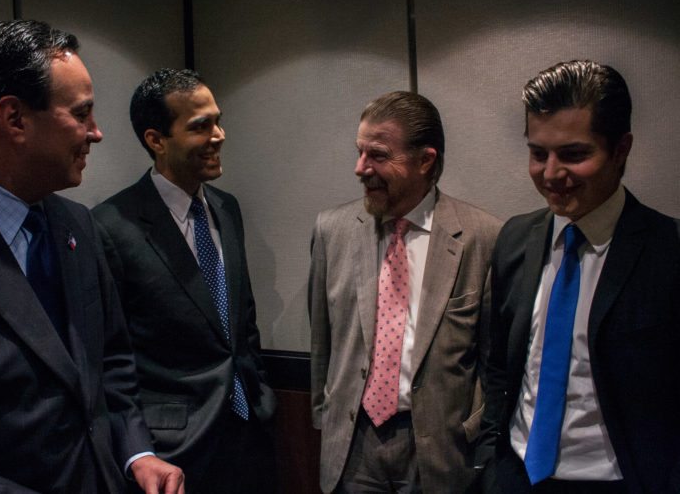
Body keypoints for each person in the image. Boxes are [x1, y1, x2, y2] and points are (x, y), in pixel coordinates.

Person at [0, 20, 184, 493]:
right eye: (81, 114)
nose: (96, 132)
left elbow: (112, 365)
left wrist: (137, 454)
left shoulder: (77, 225)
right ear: (15, 119)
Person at [478, 60, 680, 493]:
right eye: (538, 154)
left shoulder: (669, 251)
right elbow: (499, 363)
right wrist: (490, 461)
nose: (551, 174)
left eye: (573, 154)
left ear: (621, 149)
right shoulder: (514, 238)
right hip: (517, 474)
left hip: (619, 481)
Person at [92, 68, 276, 494]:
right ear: (156, 140)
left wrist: (262, 394)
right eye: (200, 126)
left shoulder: (227, 209)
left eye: (217, 120)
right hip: (172, 453)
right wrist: (138, 449)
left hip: (250, 432)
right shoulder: (110, 227)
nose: (219, 135)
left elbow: (241, 322)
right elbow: (110, 355)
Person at [309, 91, 501, 493]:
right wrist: (322, 417)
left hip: (440, 451)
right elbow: (322, 338)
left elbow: (492, 357)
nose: (360, 168)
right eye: (360, 152)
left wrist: (477, 431)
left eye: (378, 155)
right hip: (352, 447)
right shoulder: (332, 231)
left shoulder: (482, 237)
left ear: (425, 160)